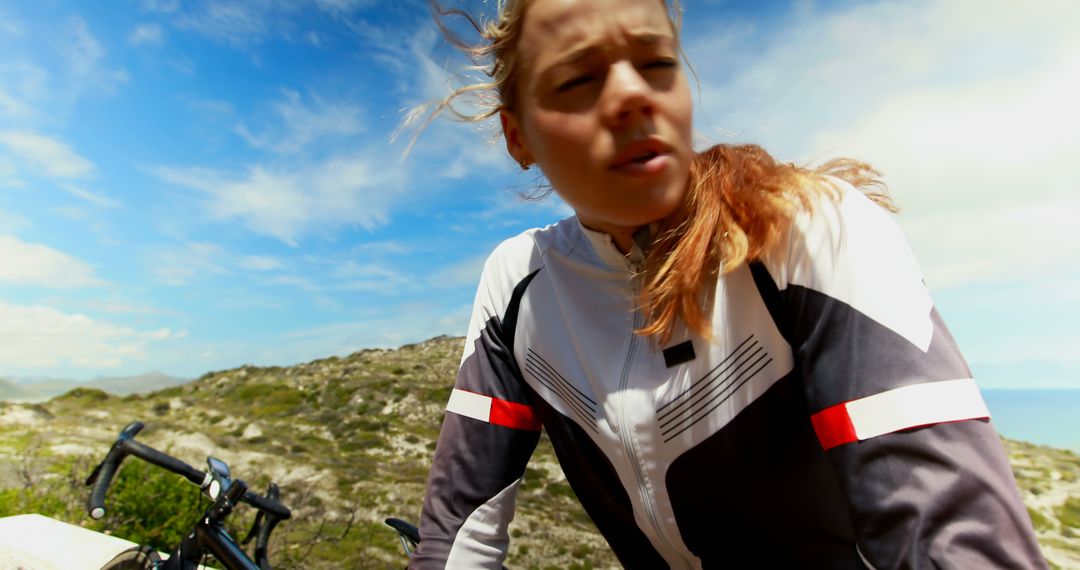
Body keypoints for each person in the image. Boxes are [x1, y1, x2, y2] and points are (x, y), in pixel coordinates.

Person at [408, 0, 1046, 568]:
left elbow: (953, 535)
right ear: (519, 137)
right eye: (578, 76)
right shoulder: (517, 282)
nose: (634, 94)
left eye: (657, 62)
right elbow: (458, 534)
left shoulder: (809, 226)